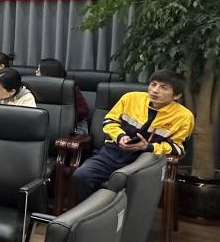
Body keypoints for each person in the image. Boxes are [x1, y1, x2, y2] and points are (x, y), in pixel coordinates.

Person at [73, 70, 194, 201]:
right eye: (153, 84)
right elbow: (109, 121)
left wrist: (148, 147)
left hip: (144, 160)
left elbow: (178, 148)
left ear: (177, 95)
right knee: (82, 175)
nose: (155, 90)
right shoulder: (131, 98)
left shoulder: (184, 117)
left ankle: (122, 213)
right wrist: (120, 136)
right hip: (113, 151)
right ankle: (94, 212)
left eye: (163, 87)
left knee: (126, 186)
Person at [37, 57, 90, 134]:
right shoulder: (37, 88)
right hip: (48, 126)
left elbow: (84, 111)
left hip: (75, 128)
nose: (36, 73)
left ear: (48, 73)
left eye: (39, 71)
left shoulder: (69, 89)